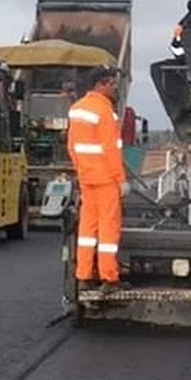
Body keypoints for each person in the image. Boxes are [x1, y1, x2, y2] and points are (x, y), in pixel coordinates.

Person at [66, 66, 127, 293]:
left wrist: (81, 170)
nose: (114, 87)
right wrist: (121, 180)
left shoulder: (77, 109)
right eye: (111, 83)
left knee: (87, 229)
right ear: (100, 84)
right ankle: (109, 278)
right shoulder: (104, 111)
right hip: (106, 180)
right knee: (108, 229)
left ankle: (83, 276)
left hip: (87, 178)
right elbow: (112, 150)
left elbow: (72, 146)